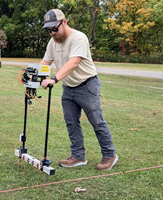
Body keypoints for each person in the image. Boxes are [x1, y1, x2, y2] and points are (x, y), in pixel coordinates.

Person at [40, 9, 118, 171]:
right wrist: (33, 74)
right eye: (49, 30)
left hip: (87, 85)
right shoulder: (52, 42)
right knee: (71, 123)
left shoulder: (78, 38)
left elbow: (73, 63)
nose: (52, 33)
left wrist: (53, 79)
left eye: (55, 28)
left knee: (96, 121)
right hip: (68, 88)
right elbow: (45, 62)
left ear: (64, 22)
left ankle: (109, 155)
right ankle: (78, 156)